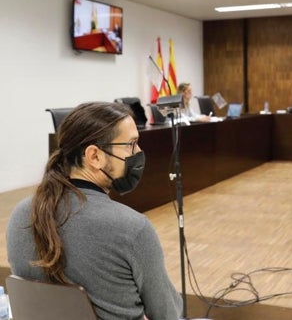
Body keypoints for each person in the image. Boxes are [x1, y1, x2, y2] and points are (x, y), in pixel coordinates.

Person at [6, 102, 182, 320]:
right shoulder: (132, 228)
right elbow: (168, 314)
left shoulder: (21, 215)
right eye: (131, 144)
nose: (139, 153)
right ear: (95, 156)